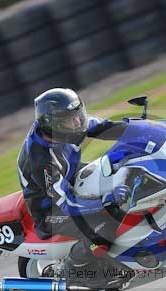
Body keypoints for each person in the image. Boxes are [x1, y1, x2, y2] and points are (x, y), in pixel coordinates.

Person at [17, 88, 130, 273]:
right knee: (103, 224)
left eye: (78, 115)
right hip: (51, 211)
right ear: (55, 124)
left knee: (120, 168)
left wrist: (139, 129)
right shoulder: (41, 161)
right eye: (72, 119)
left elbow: (103, 127)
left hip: (71, 178)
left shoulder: (68, 128)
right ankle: (72, 269)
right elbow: (64, 202)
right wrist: (104, 200)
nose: (79, 122)